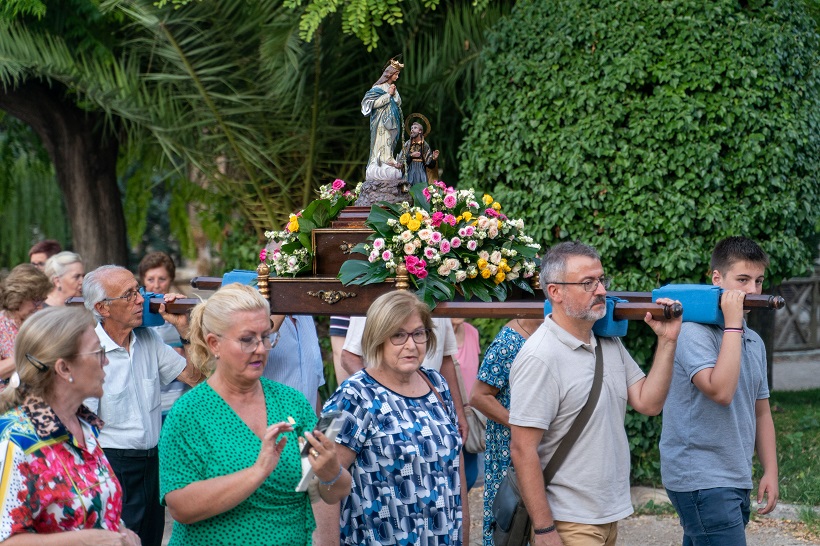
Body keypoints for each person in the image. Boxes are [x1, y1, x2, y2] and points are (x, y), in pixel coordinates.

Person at [509, 241, 681, 546]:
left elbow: (648, 402)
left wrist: (667, 341)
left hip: (607, 516)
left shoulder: (606, 342)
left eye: (601, 280)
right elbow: (523, 450)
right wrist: (545, 529)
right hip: (568, 522)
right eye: (587, 283)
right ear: (555, 292)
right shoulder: (540, 357)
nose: (601, 290)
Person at [159, 284, 351, 545]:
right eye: (247, 339)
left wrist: (331, 472)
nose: (261, 348)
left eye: (266, 337)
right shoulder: (189, 414)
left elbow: (329, 492)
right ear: (214, 343)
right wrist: (257, 471)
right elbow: (180, 506)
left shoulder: (290, 402)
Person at [660, 236, 779, 545]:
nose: (752, 291)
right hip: (700, 477)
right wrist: (733, 324)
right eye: (742, 280)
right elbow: (720, 391)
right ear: (717, 279)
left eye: (758, 281)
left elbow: (761, 410)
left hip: (734, 475)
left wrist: (770, 470)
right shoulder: (691, 332)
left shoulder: (752, 340)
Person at [324, 290, 467, 546]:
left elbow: (456, 470)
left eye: (418, 333)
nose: (411, 345)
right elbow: (315, 478)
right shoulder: (351, 395)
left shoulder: (437, 384)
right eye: (398, 335)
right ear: (378, 338)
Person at [83, 265, 203, 546]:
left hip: (153, 462)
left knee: (151, 539)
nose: (141, 299)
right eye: (129, 295)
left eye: (138, 290)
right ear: (104, 308)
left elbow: (196, 377)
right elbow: (82, 426)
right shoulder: (89, 351)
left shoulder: (148, 339)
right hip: (114, 466)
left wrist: (184, 330)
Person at [0, 306, 140, 546]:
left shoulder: (83, 425)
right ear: (64, 368)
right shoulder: (16, 440)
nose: (106, 360)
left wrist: (122, 532)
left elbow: (99, 512)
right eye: (98, 352)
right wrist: (86, 540)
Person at [469, 317, 542, 546]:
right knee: (511, 526)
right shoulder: (509, 341)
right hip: (510, 449)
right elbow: (478, 397)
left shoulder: (555, 331)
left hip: (542, 446)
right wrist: (520, 425)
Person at [137, 251, 187, 417]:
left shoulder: (181, 313)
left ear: (171, 279)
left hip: (178, 402)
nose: (156, 285)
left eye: (162, 279)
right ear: (143, 280)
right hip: (147, 406)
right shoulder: (135, 316)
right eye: (151, 279)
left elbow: (198, 357)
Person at [0, 264, 52, 386]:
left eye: (42, 300)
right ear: (19, 296)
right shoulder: (2, 325)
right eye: (35, 300)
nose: (40, 307)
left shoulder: (37, 323)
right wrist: (30, 355)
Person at [262, 315, 324, 411]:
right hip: (270, 424)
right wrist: (282, 310)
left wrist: (317, 424)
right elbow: (253, 349)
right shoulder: (251, 310)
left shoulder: (306, 316)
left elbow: (313, 386)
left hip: (308, 424)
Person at [361, 59, 404, 181]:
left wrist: (394, 94)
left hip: (392, 120)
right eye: (396, 74)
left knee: (390, 140)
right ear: (389, 74)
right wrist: (388, 95)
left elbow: (399, 102)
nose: (397, 77)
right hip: (380, 121)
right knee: (382, 139)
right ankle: (381, 159)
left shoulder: (391, 87)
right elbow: (371, 103)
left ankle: (389, 157)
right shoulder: (377, 88)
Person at [397, 121, 439, 186]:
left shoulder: (425, 145)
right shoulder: (407, 144)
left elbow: (429, 164)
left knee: (421, 190)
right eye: (411, 128)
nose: (412, 130)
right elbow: (402, 161)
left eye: (415, 128)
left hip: (421, 173)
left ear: (420, 131)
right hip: (409, 172)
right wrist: (411, 156)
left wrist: (434, 159)